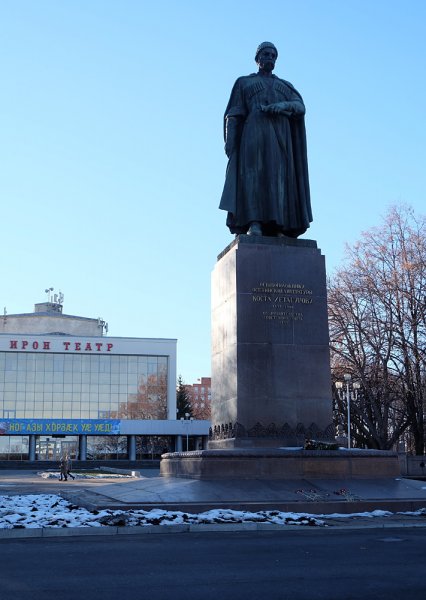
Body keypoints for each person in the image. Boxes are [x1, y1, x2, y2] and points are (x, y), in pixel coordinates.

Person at [219, 42, 312, 237]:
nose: (270, 57)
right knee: (253, 179)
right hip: (253, 135)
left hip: (280, 138)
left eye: (273, 55)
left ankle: (280, 226)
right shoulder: (244, 82)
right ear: (257, 59)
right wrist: (230, 141)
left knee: (279, 179)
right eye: (266, 54)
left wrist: (284, 105)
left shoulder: (284, 86)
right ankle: (254, 223)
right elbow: (234, 113)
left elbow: (300, 107)